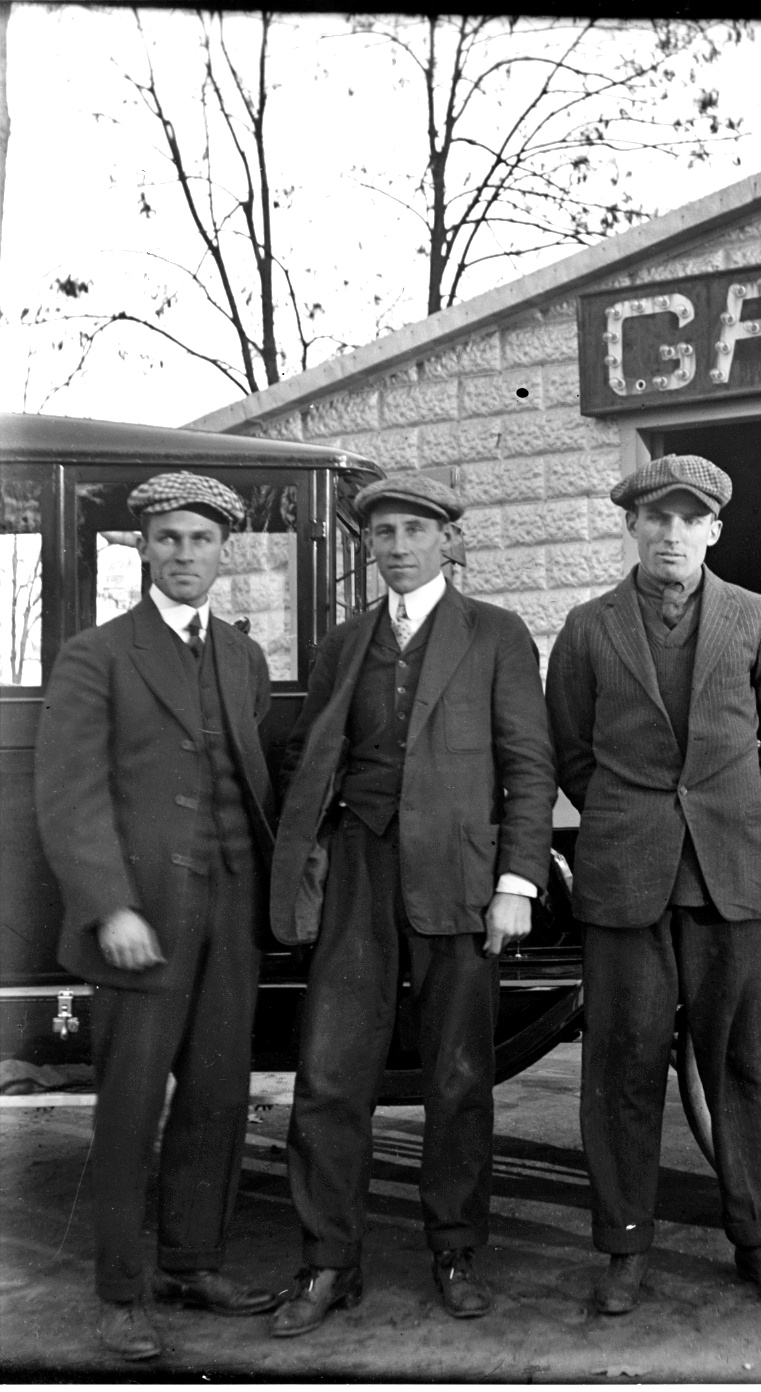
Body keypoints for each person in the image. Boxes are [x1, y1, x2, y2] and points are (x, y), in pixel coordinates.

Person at [268, 474, 555, 1336]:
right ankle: (328, 1263)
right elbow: (310, 759)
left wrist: (516, 883)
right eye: (380, 533)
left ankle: (457, 1250)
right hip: (358, 868)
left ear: (446, 542)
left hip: (460, 881)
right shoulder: (346, 643)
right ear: (367, 546)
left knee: (459, 1076)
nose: (394, 546)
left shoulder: (497, 635)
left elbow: (529, 770)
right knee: (327, 1073)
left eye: (412, 531)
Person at [545, 453, 761, 1315]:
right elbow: (572, 754)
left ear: (713, 531)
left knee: (740, 1064)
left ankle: (757, 1241)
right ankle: (624, 1248)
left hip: (732, 878)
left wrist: (724, 812)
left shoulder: (758, 617)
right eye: (655, 517)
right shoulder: (588, 628)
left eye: (687, 519)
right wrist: (638, 822)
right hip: (628, 881)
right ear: (632, 526)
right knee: (620, 1067)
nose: (671, 533)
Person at [34, 472, 278, 1361]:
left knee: (218, 1097)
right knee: (130, 1110)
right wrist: (109, 908)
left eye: (201, 540)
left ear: (224, 552)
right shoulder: (96, 654)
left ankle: (191, 1262)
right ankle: (120, 1291)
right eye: (169, 538)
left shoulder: (243, 658)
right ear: (143, 546)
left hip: (231, 915)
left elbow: (251, 786)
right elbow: (68, 797)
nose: (185, 554)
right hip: (142, 919)